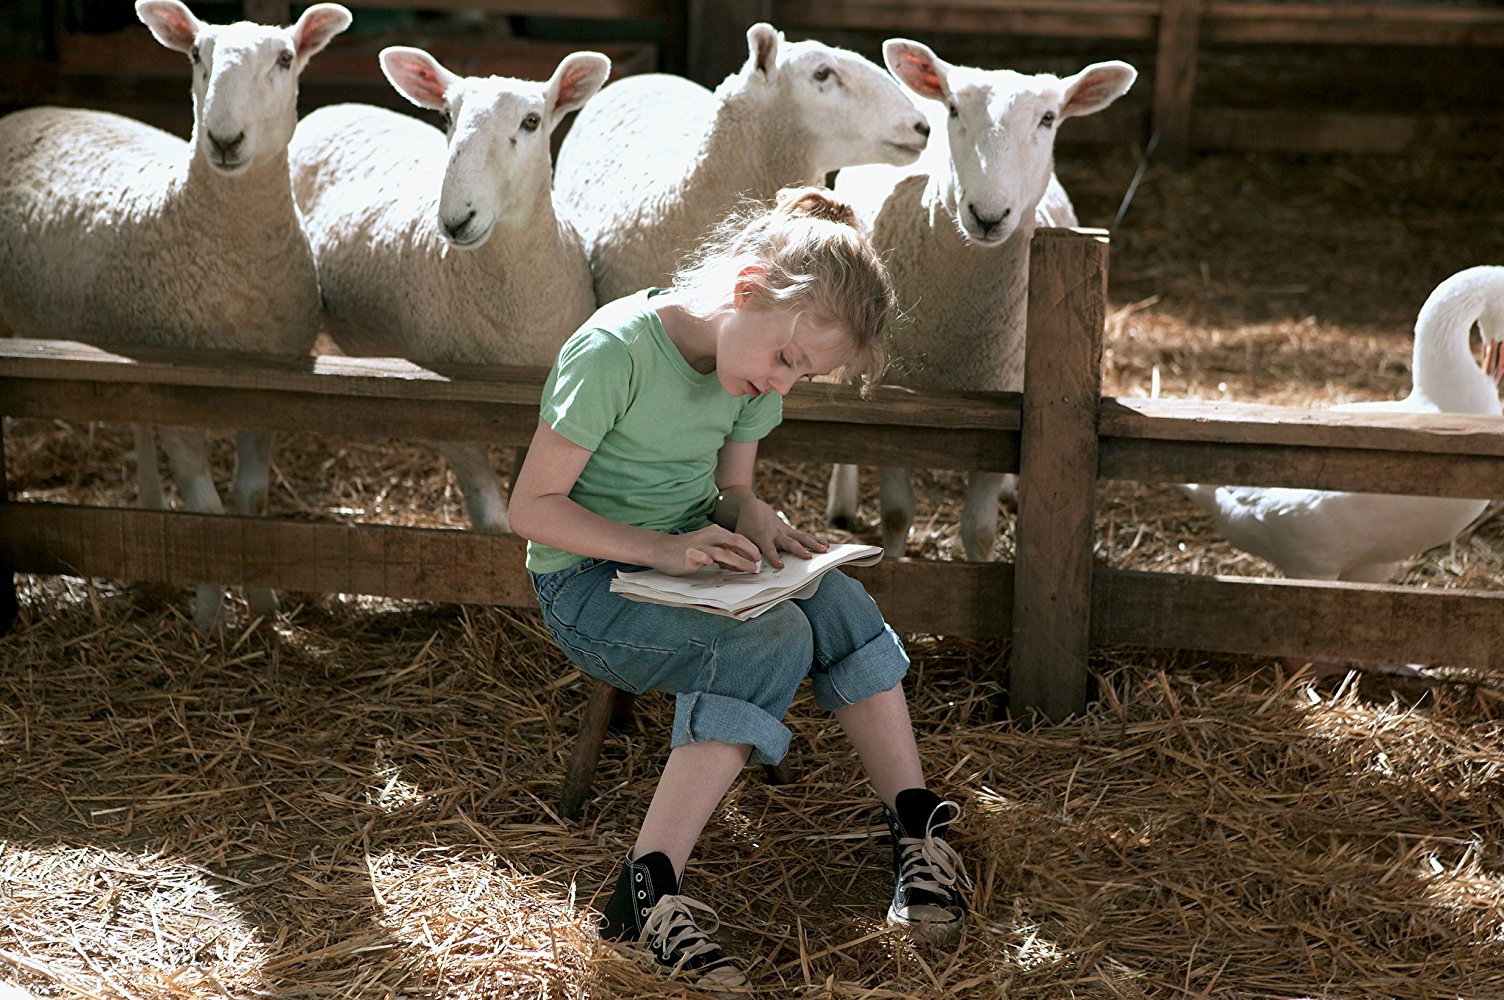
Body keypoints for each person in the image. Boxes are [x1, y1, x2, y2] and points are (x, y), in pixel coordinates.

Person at [509, 186, 970, 991]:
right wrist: (664, 545)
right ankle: (643, 896)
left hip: (692, 558)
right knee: (775, 637)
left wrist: (755, 516)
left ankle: (915, 829)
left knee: (840, 604)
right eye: (789, 361)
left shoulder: (747, 374)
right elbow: (532, 511)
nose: (784, 386)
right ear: (746, 289)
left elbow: (728, 490)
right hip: (590, 586)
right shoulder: (615, 350)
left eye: (807, 376)